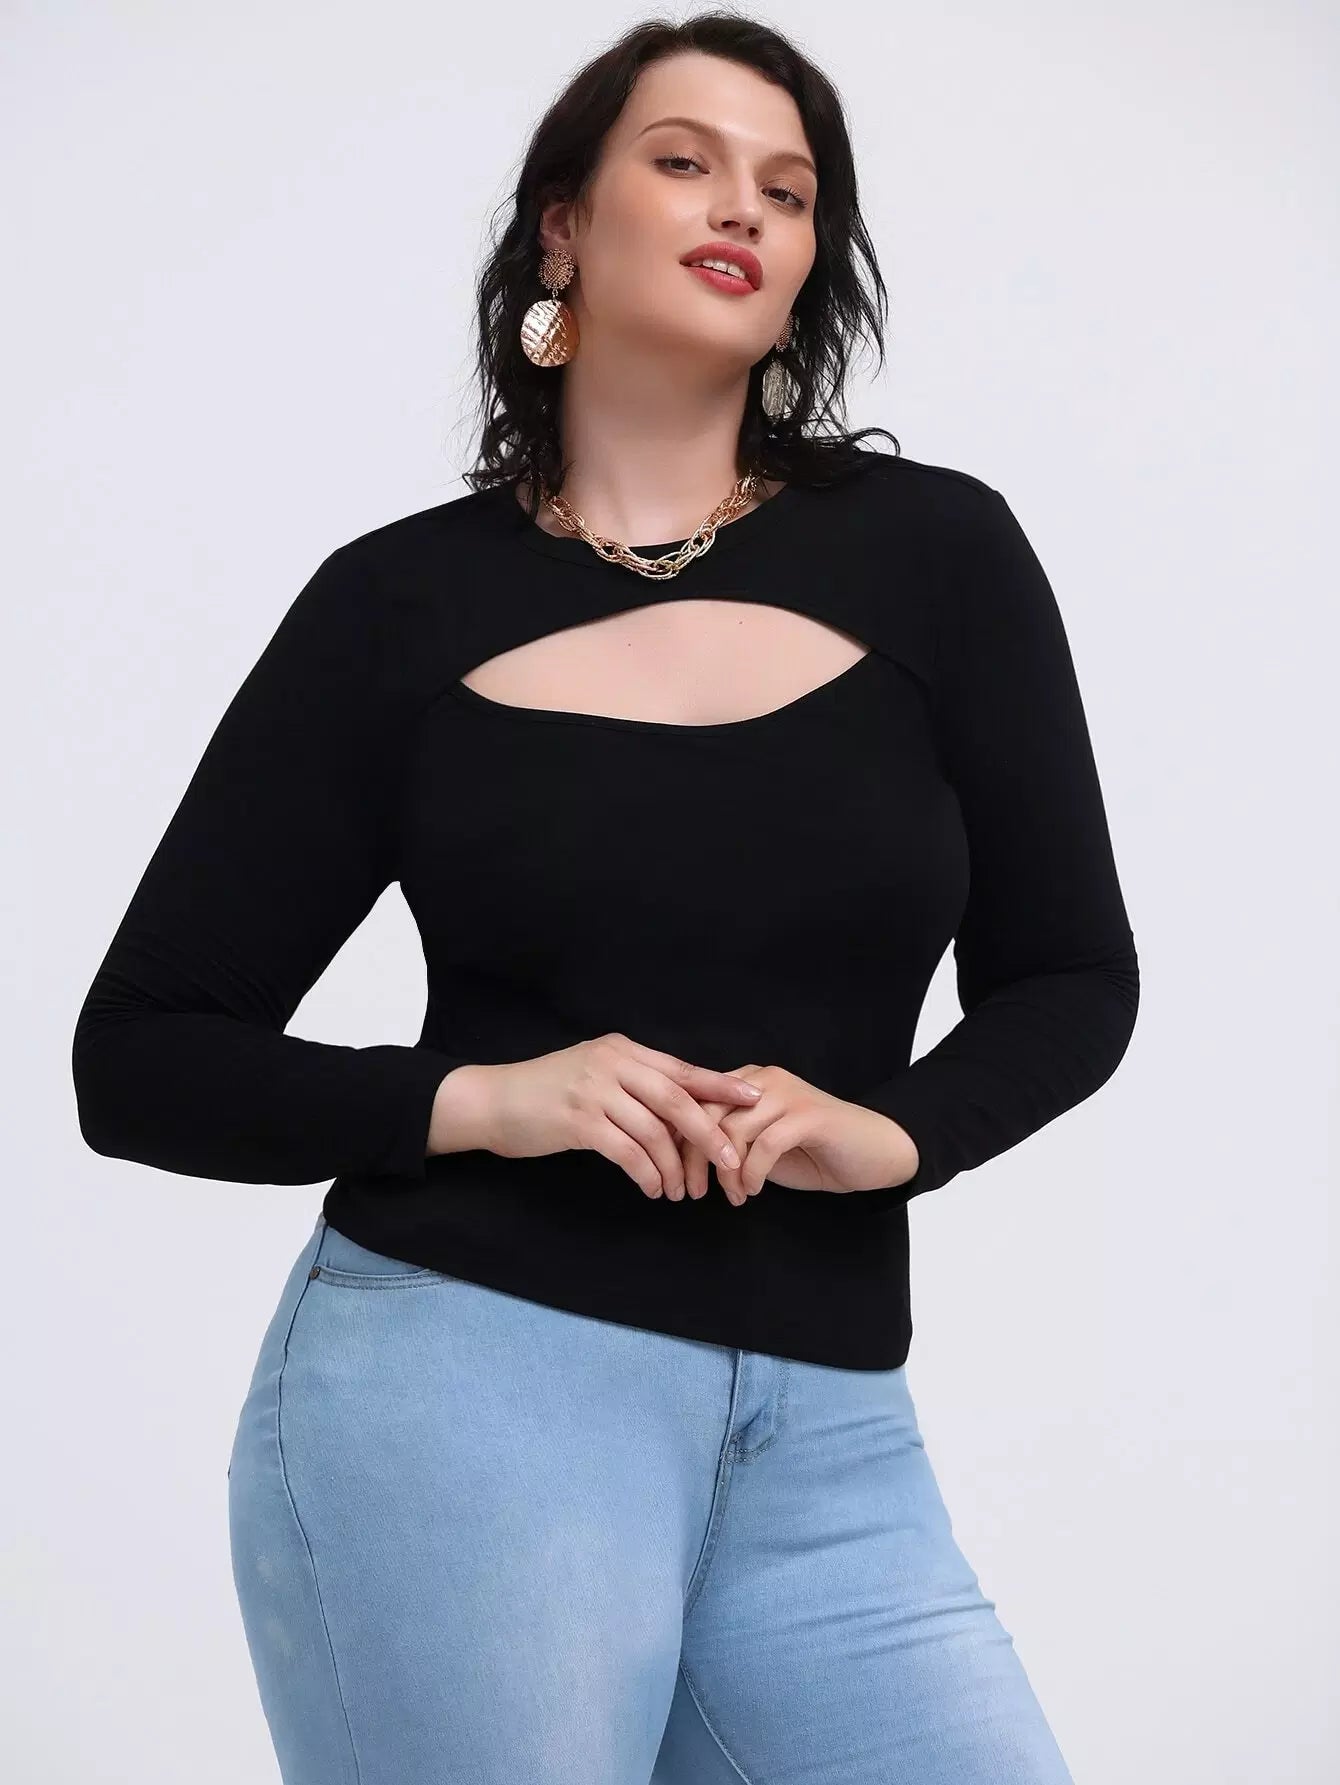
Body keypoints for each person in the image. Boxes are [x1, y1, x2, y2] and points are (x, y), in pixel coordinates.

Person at [71, 15, 1139, 1784]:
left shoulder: (941, 557)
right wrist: (496, 1099)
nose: (744, 208)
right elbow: (140, 1056)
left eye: (789, 190)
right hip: (465, 1397)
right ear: (562, 226)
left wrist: (899, 1131)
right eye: (685, 160)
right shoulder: (396, 608)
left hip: (829, 1433)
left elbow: (1073, 974)